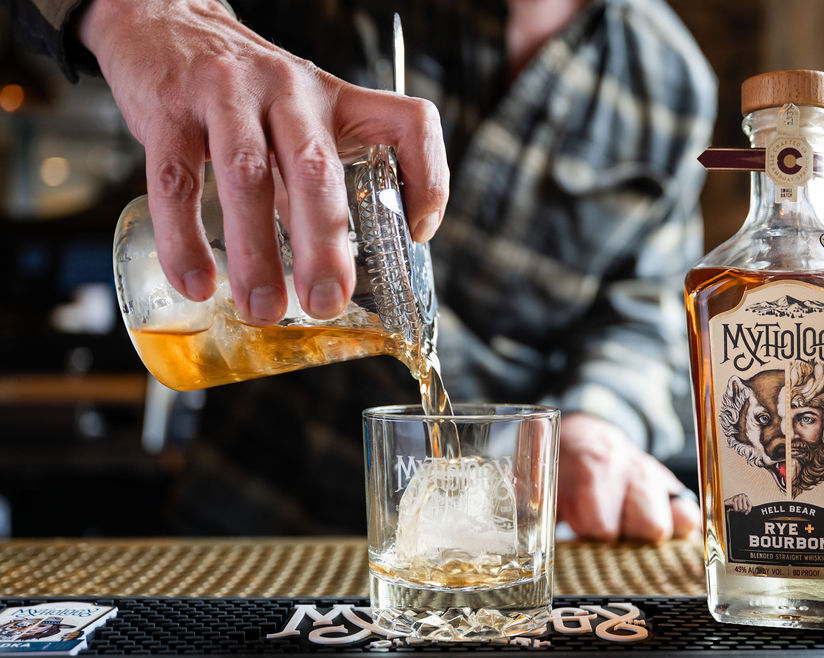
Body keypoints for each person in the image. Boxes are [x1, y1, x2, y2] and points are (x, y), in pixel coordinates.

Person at [6, 0, 715, 541]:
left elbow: (642, 313)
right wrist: (140, 11)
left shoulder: (671, 83)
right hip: (253, 522)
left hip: (482, 540)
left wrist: (596, 423)